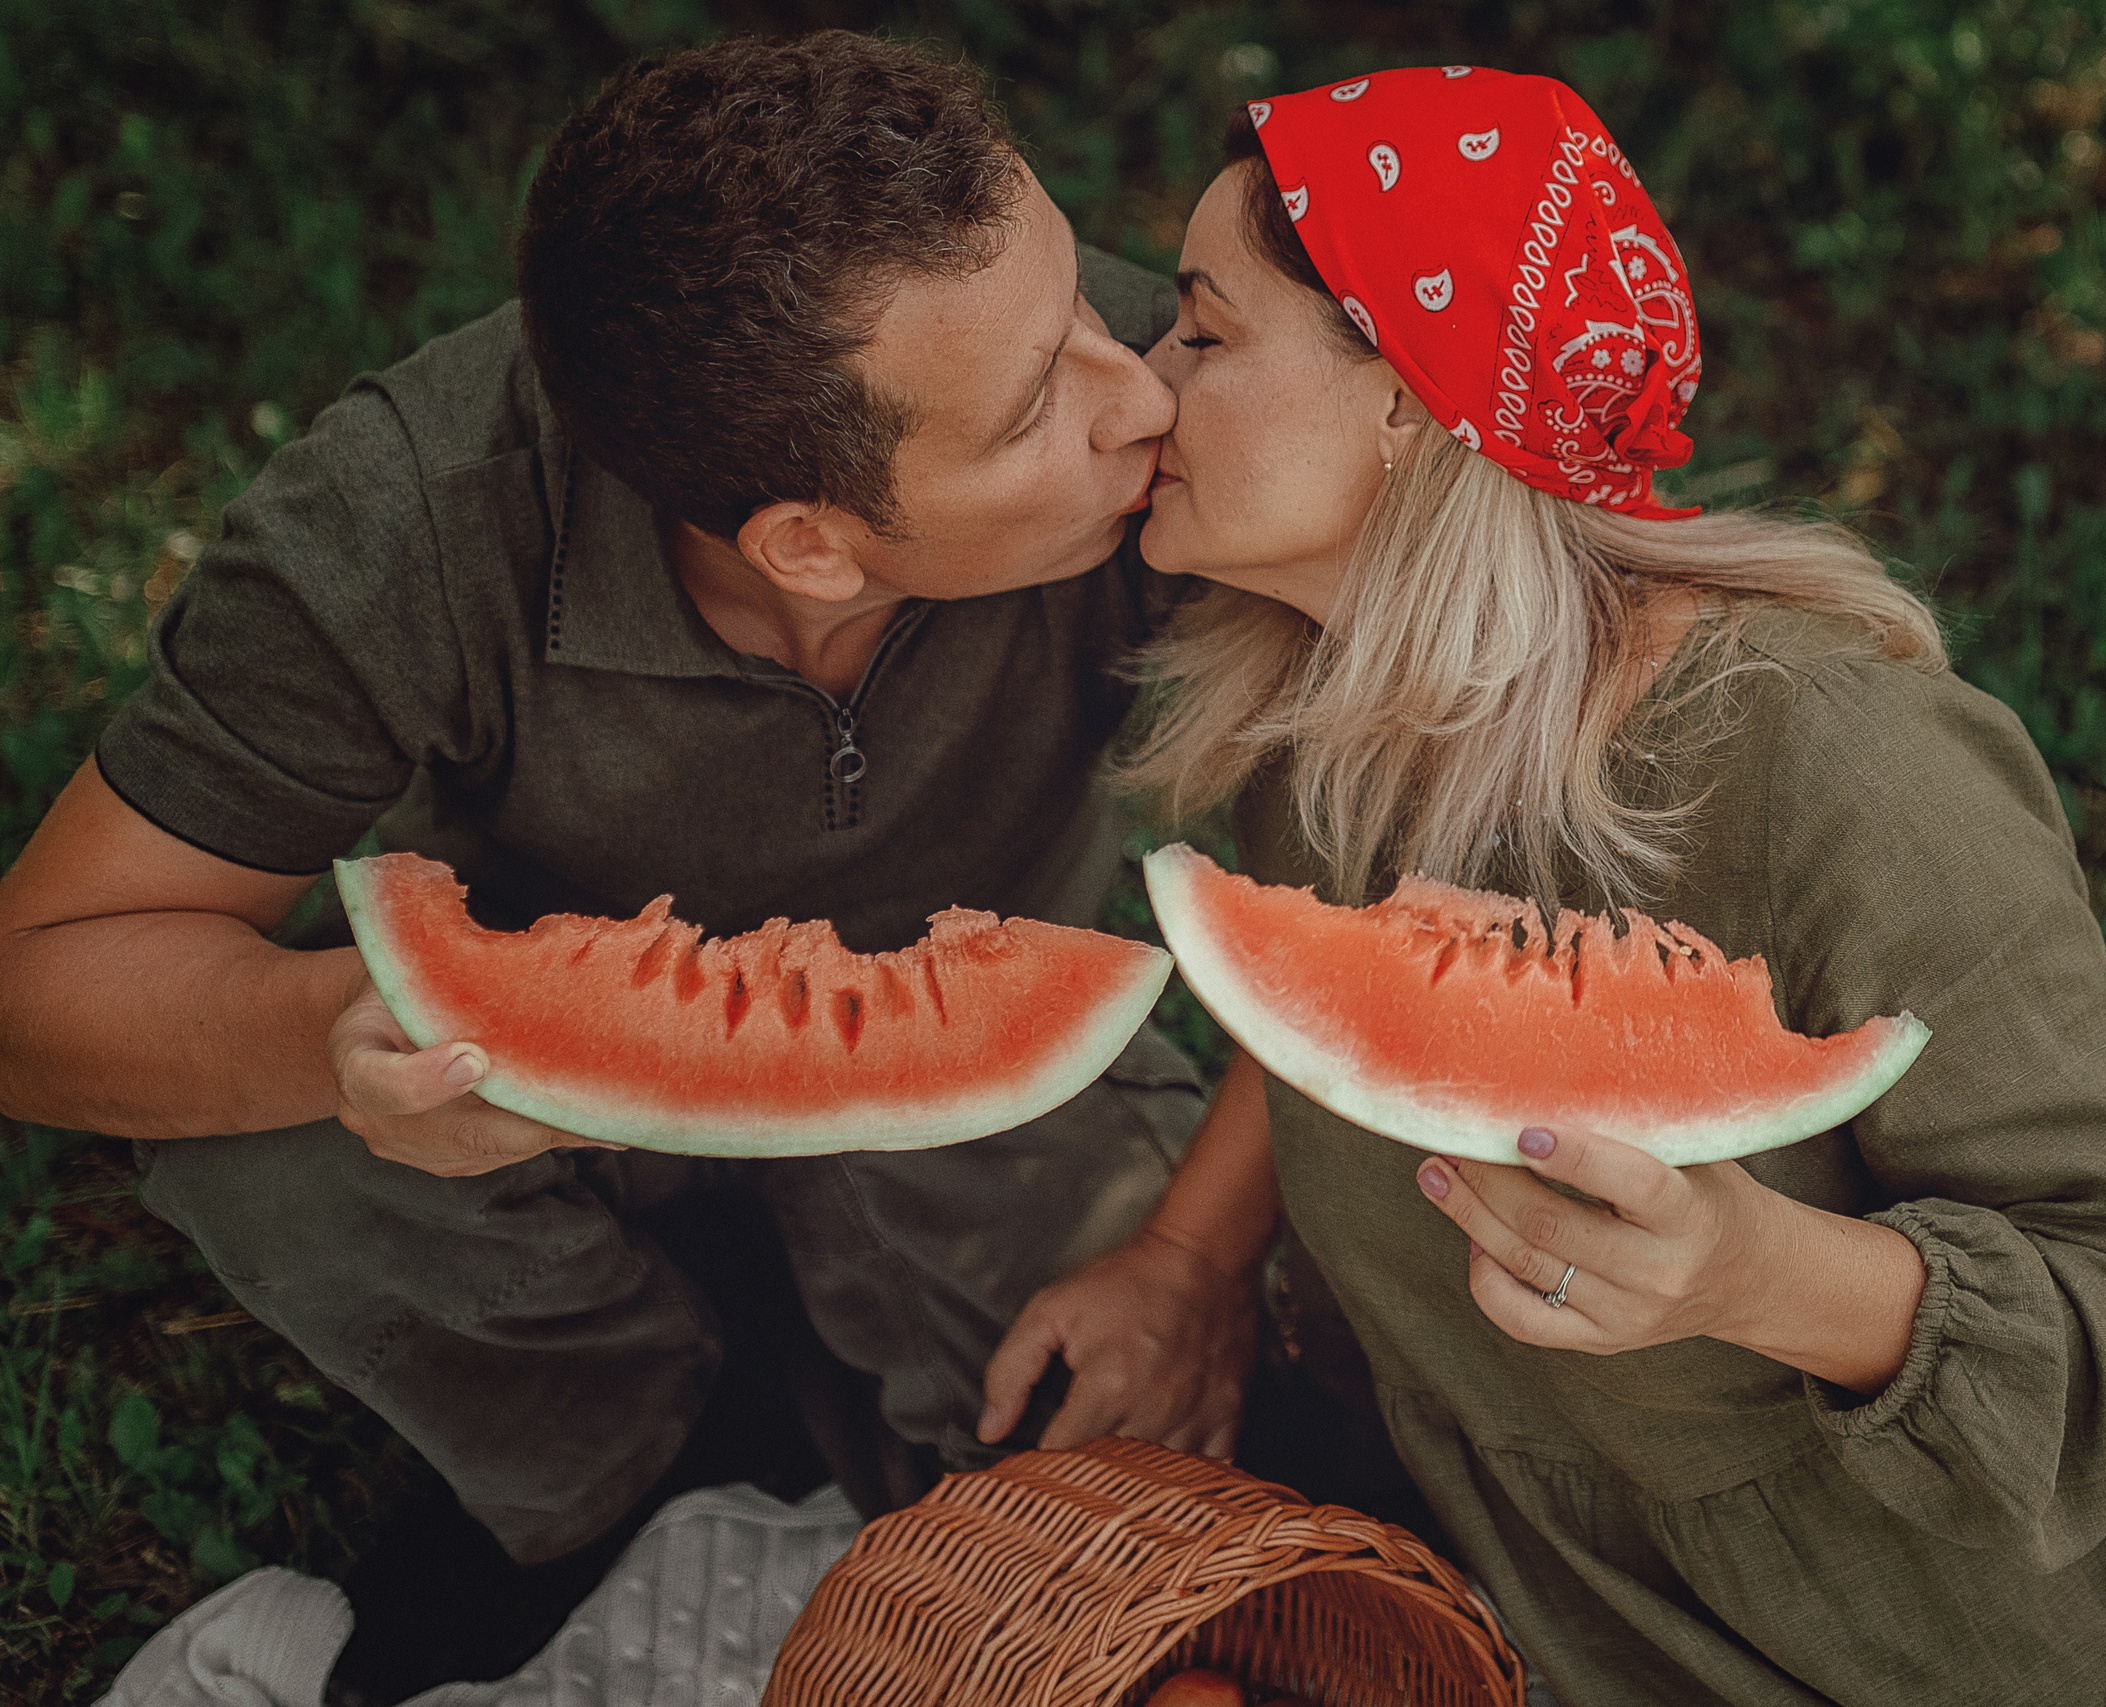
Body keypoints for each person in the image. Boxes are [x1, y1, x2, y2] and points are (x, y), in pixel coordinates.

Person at [1122, 66, 2106, 1705]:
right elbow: (1358, 1014)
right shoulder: (1314, 736)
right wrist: (1186, 1260)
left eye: (1205, 333)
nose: (1146, 386)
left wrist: (1749, 1274)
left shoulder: (1834, 756)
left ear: (1405, 395)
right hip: (1663, 1625)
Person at [0, 31, 1260, 1697]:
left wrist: (1190, 1263)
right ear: (810, 544)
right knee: (269, 1150)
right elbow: (39, 980)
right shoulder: (401, 526)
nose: (1146, 393)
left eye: (1089, 310)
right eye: (1041, 406)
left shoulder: (1120, 380)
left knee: (1187, 1467)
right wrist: (325, 1044)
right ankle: (647, 1469)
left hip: (972, 1100)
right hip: (536, 1112)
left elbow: (1406, 870)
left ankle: (855, 1464)